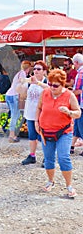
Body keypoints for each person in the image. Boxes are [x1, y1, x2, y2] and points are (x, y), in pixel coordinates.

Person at [35, 69, 81, 198]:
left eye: (55, 85)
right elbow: (38, 108)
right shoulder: (44, 93)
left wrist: (69, 112)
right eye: (50, 84)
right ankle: (50, 181)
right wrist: (36, 123)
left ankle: (69, 185)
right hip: (46, 131)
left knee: (63, 158)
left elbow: (78, 113)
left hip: (64, 132)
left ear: (63, 84)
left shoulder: (69, 95)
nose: (52, 87)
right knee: (48, 158)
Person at [20, 60, 48, 165]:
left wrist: (38, 83)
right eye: (35, 69)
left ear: (44, 71)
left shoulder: (46, 82)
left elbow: (50, 90)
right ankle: (32, 156)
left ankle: (47, 157)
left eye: (39, 69)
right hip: (30, 113)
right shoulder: (30, 81)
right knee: (32, 136)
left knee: (43, 137)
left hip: (42, 115)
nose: (36, 71)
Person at [5, 60, 32, 143]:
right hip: (14, 95)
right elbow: (22, 81)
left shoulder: (19, 73)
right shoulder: (23, 73)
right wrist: (29, 80)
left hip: (8, 94)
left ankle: (12, 134)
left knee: (14, 115)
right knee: (15, 115)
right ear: (29, 68)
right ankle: (11, 135)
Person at [70, 53, 83, 155]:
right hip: (80, 104)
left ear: (76, 63)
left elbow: (77, 90)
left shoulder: (80, 73)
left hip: (81, 104)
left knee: (80, 125)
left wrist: (68, 93)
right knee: (77, 126)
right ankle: (71, 146)